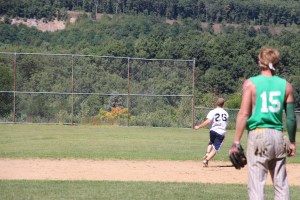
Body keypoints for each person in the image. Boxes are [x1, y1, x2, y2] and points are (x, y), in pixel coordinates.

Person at [230, 47, 297, 200]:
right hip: (279, 137)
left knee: (257, 185)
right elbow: (291, 118)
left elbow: (244, 114)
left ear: (260, 62)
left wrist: (236, 141)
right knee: (281, 184)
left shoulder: (250, 84)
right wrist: (292, 141)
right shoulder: (286, 86)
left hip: (259, 135)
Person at [194, 98, 229, 167]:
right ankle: (206, 160)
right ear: (223, 104)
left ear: (216, 103)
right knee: (216, 148)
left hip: (212, 130)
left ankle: (207, 153)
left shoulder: (212, 111)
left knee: (211, 141)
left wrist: (199, 126)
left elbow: (208, 121)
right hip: (221, 132)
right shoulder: (226, 113)